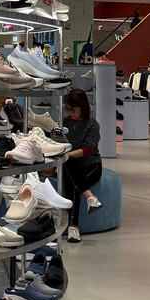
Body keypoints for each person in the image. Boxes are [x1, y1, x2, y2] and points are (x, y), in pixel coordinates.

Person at [61, 88, 102, 244]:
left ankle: (73, 227)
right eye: (67, 109)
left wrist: (66, 154)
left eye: (73, 109)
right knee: (69, 168)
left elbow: (87, 150)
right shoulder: (64, 123)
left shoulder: (92, 125)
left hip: (91, 166)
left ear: (83, 107)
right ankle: (89, 197)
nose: (70, 112)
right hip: (71, 166)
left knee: (71, 180)